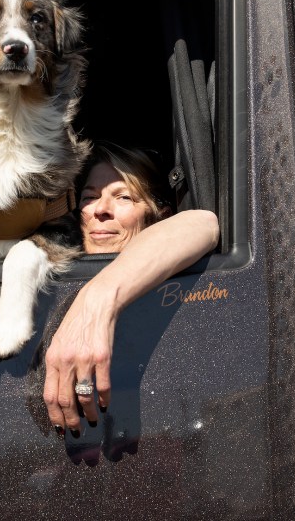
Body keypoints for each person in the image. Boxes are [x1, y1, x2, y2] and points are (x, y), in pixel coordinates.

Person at [42, 143, 219, 435]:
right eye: (90, 197)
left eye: (123, 197)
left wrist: (96, 300)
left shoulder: (164, 274)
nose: (100, 210)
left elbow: (204, 223)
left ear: (159, 216)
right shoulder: (44, 266)